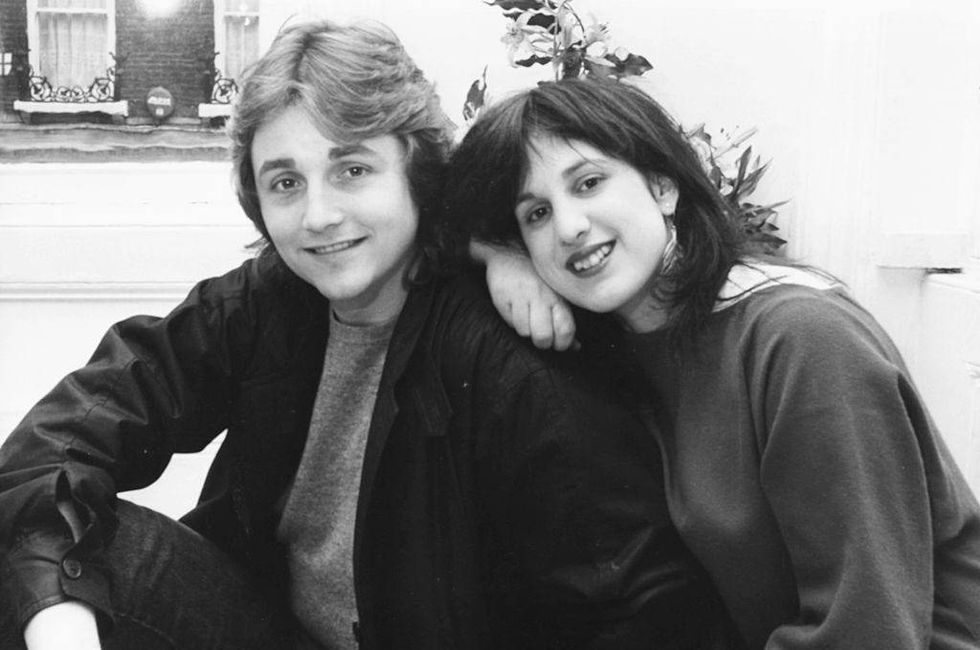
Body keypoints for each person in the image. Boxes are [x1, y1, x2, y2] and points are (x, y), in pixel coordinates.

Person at [0, 21, 739, 650]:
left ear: (418, 173)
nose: (318, 214)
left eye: (352, 168)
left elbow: (641, 615)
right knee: (55, 548)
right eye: (285, 182)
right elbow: (65, 439)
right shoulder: (269, 301)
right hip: (271, 628)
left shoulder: (512, 354)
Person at [444, 77, 980, 649]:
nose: (570, 227)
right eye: (536, 214)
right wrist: (497, 256)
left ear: (663, 186)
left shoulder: (800, 339)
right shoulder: (623, 343)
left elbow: (867, 630)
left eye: (590, 183)